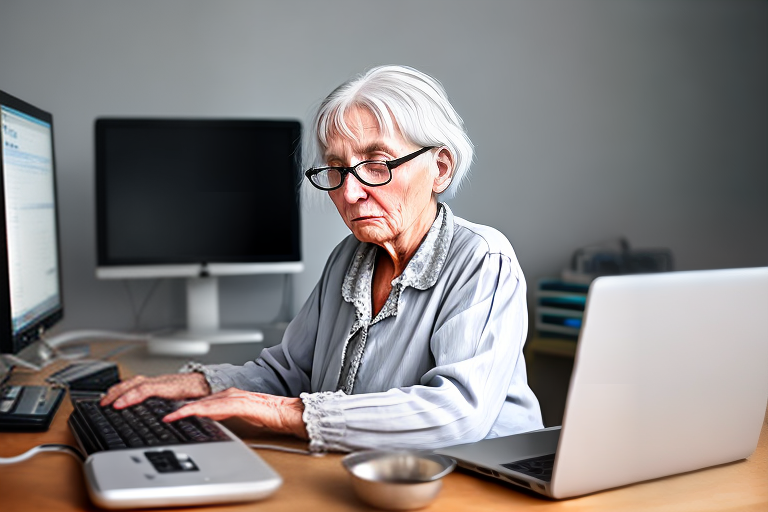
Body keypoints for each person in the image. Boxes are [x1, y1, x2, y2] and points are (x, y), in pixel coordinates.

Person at [102, 65, 543, 452]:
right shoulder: (349, 258)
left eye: (376, 163)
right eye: (336, 169)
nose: (349, 192)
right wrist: (194, 385)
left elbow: (458, 413)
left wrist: (287, 413)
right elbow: (290, 371)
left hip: (479, 489)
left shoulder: (483, 258)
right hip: (373, 478)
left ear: (440, 168)